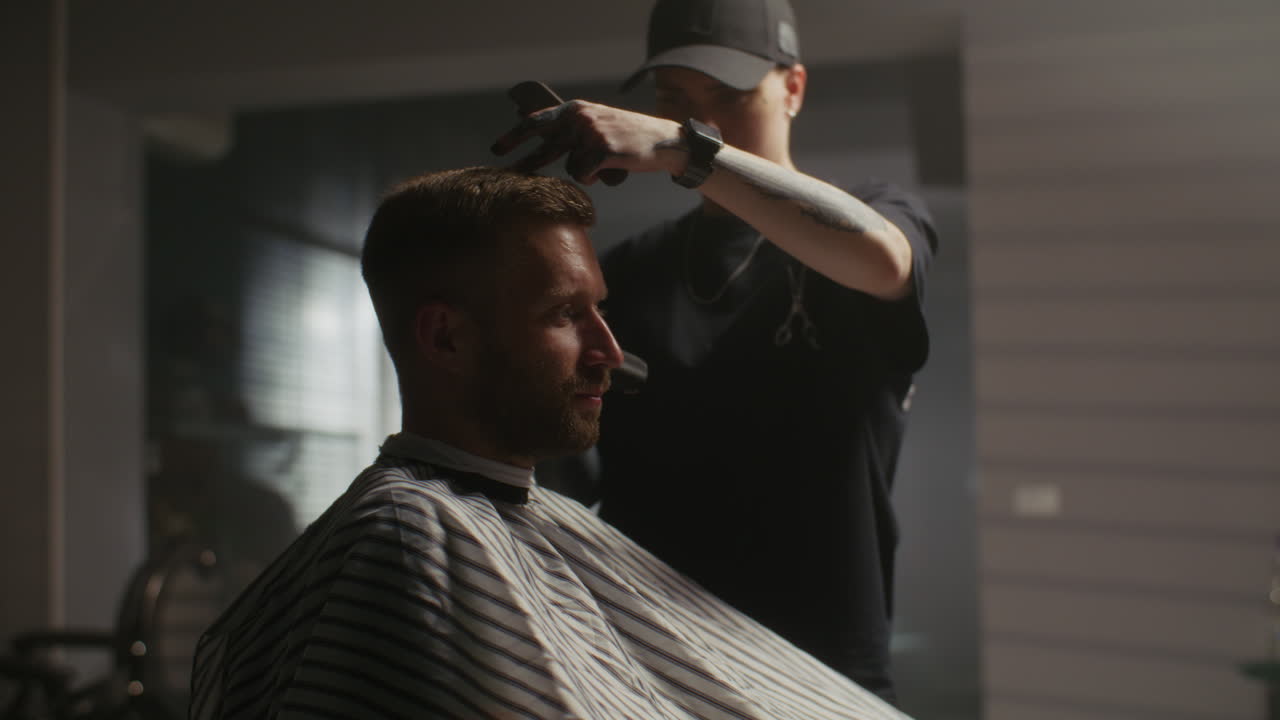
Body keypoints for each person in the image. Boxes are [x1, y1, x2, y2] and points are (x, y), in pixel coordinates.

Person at [188, 167, 908, 720]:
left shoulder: (525, 523)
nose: (610, 351)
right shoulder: (409, 536)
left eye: (600, 309)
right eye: (565, 314)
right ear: (446, 336)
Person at [490, 0, 938, 702]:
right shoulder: (629, 275)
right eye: (674, 99)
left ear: (793, 88)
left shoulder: (870, 221)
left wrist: (686, 150)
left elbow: (885, 261)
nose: (702, 120)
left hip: (821, 680)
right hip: (651, 667)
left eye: (727, 96)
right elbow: (563, 482)